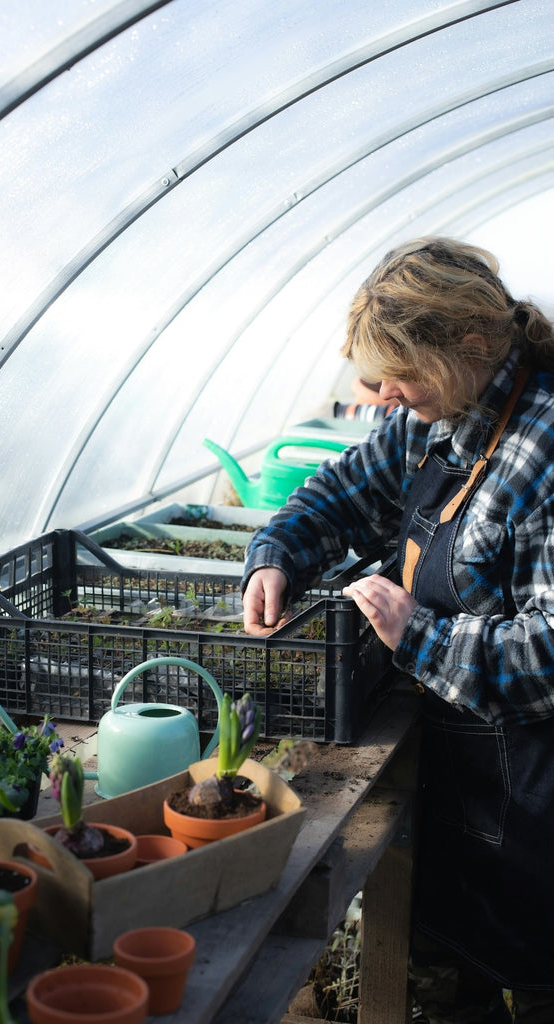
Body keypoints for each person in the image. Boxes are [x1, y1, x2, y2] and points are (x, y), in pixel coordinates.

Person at [241, 237, 554, 1023]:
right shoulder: (438, 414)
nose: (378, 392)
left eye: (397, 372)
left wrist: (417, 634)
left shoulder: (543, 448)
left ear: (470, 345)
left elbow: (548, 654)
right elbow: (342, 491)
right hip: (460, 775)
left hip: (537, 804)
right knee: (449, 972)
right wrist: (277, 555)